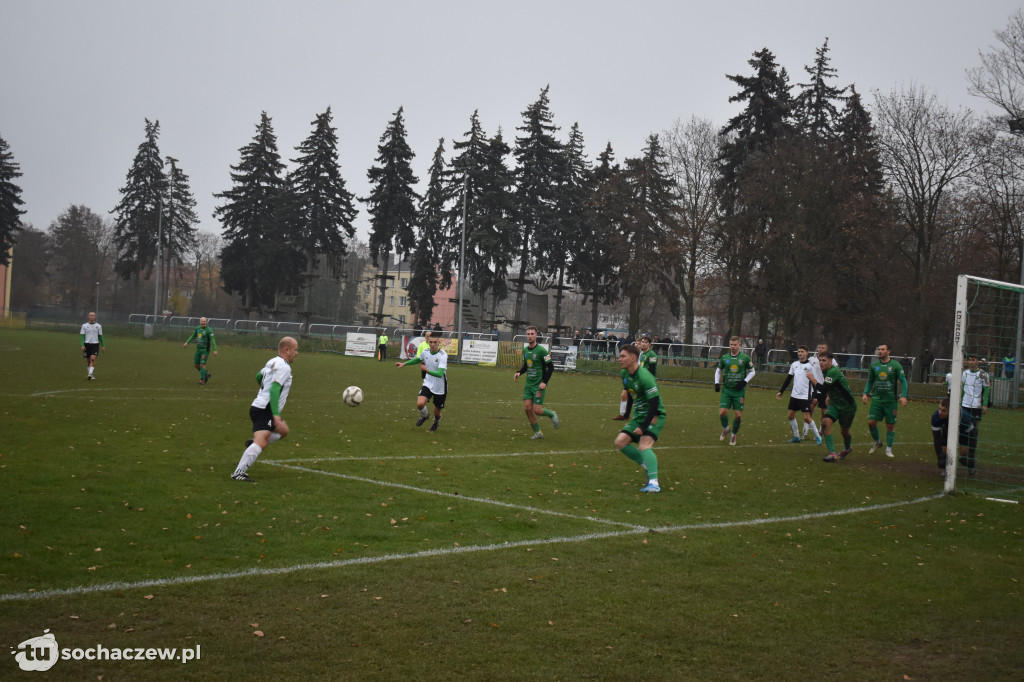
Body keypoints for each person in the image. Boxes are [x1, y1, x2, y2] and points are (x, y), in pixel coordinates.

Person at [231, 337, 299, 482]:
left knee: (283, 431)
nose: (296, 353)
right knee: (262, 441)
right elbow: (274, 390)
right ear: (286, 350)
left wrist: (264, 391)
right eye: (295, 350)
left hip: (259, 406)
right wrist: (275, 415)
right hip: (265, 409)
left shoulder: (272, 361)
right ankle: (238, 472)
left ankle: (253, 443)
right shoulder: (285, 367)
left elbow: (259, 376)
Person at [614, 343, 666, 493]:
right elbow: (630, 395)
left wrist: (643, 426)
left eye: (623, 356)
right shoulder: (625, 374)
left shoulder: (645, 376)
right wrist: (626, 415)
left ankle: (654, 483)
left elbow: (655, 403)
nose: (620, 359)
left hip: (655, 415)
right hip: (639, 415)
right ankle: (647, 466)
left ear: (633, 358)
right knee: (620, 442)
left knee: (644, 445)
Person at [861, 342, 909, 458]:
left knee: (890, 425)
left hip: (890, 401)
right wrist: (865, 393)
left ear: (889, 351)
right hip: (877, 399)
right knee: (871, 423)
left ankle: (888, 449)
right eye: (879, 349)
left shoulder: (896, 365)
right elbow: (870, 381)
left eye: (882, 349)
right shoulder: (874, 366)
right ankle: (877, 442)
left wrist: (904, 395)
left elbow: (903, 381)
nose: (880, 351)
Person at [808, 351, 857, 462]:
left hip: (847, 406)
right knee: (825, 423)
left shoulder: (833, 371)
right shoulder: (826, 371)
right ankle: (832, 453)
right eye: (820, 360)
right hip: (835, 404)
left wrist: (812, 378)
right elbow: (833, 386)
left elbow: (823, 389)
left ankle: (848, 448)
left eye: (824, 360)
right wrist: (829, 396)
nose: (821, 363)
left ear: (830, 362)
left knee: (844, 432)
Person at [513, 325, 560, 439]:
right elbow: (527, 365)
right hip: (529, 384)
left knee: (537, 410)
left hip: (539, 385)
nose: (529, 336)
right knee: (527, 409)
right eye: (528, 334)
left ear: (536, 335)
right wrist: (519, 372)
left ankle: (552, 414)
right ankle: (538, 432)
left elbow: (551, 367)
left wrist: (544, 382)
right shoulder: (525, 350)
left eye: (532, 334)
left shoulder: (541, 350)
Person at [396, 332, 447, 432]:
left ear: (439, 342)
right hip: (428, 383)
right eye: (431, 342)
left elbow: (440, 373)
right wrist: (404, 364)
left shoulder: (443, 355)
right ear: (428, 342)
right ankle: (425, 415)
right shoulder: (425, 352)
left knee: (437, 413)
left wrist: (427, 370)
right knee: (420, 404)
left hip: (440, 386)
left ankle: (436, 422)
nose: (432, 344)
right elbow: (417, 360)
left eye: (435, 342)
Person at [776, 345, 823, 444]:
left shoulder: (810, 366)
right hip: (794, 395)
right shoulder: (794, 364)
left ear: (806, 353)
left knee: (806, 417)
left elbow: (814, 381)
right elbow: (788, 379)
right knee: (790, 415)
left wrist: (814, 396)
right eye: (799, 351)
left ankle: (818, 436)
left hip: (805, 396)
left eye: (802, 351)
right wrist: (781, 391)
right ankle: (796, 436)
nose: (800, 353)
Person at [715, 335, 755, 446]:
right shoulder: (724, 358)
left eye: (735, 345)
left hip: (739, 391)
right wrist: (716, 383)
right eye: (731, 344)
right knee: (722, 412)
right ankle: (726, 428)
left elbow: (752, 371)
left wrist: (745, 381)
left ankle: (733, 435)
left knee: (738, 415)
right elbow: (718, 371)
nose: (733, 347)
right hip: (727, 390)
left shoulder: (745, 358)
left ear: (739, 345)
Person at [958, 354, 990, 475]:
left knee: (973, 433)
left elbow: (987, 389)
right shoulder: (964, 373)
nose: (971, 362)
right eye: (969, 360)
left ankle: (971, 461)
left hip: (976, 407)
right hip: (964, 406)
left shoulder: (983, 374)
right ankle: (963, 458)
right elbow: (961, 389)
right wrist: (958, 402)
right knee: (963, 431)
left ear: (977, 361)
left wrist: (985, 404)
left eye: (973, 360)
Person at [614, 334, 657, 420]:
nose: (643, 344)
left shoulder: (651, 354)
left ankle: (653, 417)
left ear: (649, 344)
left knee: (649, 399)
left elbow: (652, 370)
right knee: (630, 395)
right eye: (642, 342)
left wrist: (645, 378)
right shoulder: (641, 354)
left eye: (646, 342)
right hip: (639, 379)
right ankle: (626, 415)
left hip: (646, 380)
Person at [183, 317, 218, 385]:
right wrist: (186, 342)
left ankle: (202, 380)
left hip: (205, 350)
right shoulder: (197, 328)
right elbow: (193, 336)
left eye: (204, 321)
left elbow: (213, 340)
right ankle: (206, 374)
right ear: (200, 322)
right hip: (198, 349)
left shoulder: (209, 330)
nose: (203, 322)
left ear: (206, 322)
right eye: (202, 321)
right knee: (196, 365)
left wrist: (215, 350)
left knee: (202, 365)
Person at [806, 342, 830, 438]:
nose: (820, 349)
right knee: (810, 409)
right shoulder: (812, 359)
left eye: (823, 347)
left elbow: (833, 371)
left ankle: (821, 431)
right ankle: (805, 432)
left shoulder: (830, 360)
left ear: (826, 349)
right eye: (819, 347)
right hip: (813, 389)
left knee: (824, 412)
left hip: (824, 389)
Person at [80, 311, 105, 380]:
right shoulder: (84, 326)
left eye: (93, 315)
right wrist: (82, 345)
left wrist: (103, 345)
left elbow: (100, 336)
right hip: (87, 345)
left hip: (95, 345)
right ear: (88, 316)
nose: (92, 316)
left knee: (92, 359)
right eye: (91, 315)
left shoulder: (98, 326)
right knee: (88, 361)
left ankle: (90, 374)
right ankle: (91, 374)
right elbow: (82, 336)